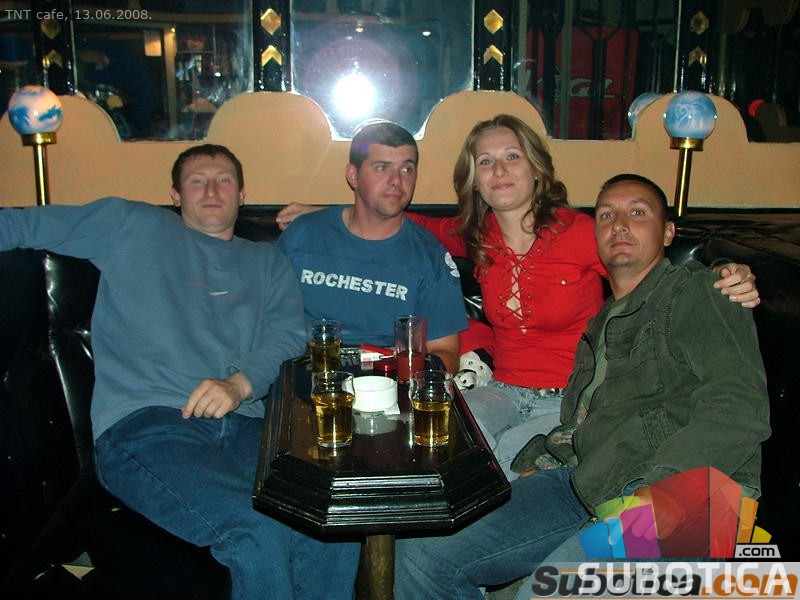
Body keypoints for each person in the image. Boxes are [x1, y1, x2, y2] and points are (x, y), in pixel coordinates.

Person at [278, 114, 760, 478]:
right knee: (437, 452)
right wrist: (324, 214)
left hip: (568, 401)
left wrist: (724, 272)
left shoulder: (581, 232)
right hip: (499, 390)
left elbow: (648, 265)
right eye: (485, 162)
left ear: (536, 169)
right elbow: (396, 216)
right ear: (475, 178)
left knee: (501, 471)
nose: (500, 170)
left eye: (512, 157)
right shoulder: (475, 234)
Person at [0, 144, 360, 599]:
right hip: (147, 424)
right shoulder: (131, 224)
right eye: (196, 181)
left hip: (249, 425)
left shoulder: (267, 261)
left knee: (329, 518)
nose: (211, 190)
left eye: (224, 180)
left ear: (242, 194)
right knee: (254, 531)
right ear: (175, 196)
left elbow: (288, 335)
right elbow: (21, 224)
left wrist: (240, 384)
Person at [394, 173, 771, 599]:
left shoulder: (701, 291)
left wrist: (654, 494)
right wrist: (546, 458)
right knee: (423, 551)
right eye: (606, 215)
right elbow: (595, 423)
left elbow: (738, 411)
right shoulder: (602, 322)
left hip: (699, 497)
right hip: (596, 480)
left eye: (638, 212)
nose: (619, 225)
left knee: (543, 592)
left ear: (668, 234)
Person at [277, 120, 467, 373]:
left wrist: (407, 379)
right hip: (309, 375)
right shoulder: (303, 235)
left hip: (389, 381)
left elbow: (446, 351)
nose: (396, 180)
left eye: (407, 169)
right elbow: (264, 320)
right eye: (382, 167)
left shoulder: (429, 255)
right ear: (353, 176)